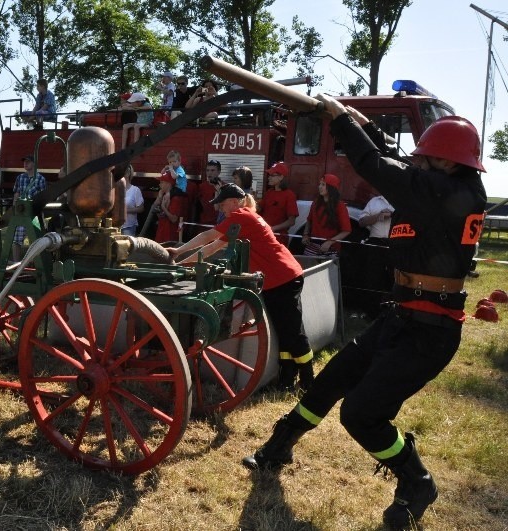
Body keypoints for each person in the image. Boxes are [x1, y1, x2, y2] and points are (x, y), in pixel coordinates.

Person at [242, 95, 487, 530]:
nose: (418, 165)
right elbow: (396, 162)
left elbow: (380, 168)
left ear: (447, 163)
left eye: (426, 160)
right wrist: (361, 124)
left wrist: (340, 124)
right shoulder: (443, 185)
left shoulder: (453, 192)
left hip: (429, 332)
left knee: (360, 414)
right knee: (330, 380)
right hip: (403, 314)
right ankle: (276, 449)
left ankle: (416, 481)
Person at [167, 183, 314, 390]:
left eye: (223, 204)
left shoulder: (241, 216)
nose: (220, 208)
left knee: (293, 332)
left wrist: (178, 251)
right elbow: (213, 247)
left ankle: (309, 381)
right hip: (280, 278)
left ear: (235, 202)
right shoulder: (244, 217)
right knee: (285, 330)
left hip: (282, 278)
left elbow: (208, 237)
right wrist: (182, 263)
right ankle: (287, 380)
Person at [301, 173, 351, 256]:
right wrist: (305, 234)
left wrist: (330, 242)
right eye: (320, 184)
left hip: (331, 248)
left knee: (327, 268)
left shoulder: (340, 206)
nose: (319, 187)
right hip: (312, 245)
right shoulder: (316, 203)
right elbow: (309, 220)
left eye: (323, 184)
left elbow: (346, 231)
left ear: (331, 188)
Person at [12, 155, 46, 261]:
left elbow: (43, 197)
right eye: (24, 161)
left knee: (34, 240)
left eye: (28, 162)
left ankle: (34, 264)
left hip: (34, 214)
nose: (25, 164)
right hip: (21, 214)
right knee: (17, 239)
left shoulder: (40, 179)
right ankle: (15, 264)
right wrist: (14, 207)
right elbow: (16, 193)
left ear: (34, 164)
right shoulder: (20, 177)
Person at [260, 162, 298, 246]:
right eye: (269, 175)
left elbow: (291, 221)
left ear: (281, 177)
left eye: (272, 175)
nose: (269, 178)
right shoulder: (269, 192)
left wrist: (272, 229)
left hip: (279, 239)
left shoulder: (289, 195)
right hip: (264, 236)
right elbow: (260, 210)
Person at [152, 171, 187, 244]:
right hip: (161, 232)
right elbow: (158, 213)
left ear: (168, 183)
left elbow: (174, 219)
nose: (159, 184)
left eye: (161, 182)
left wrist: (164, 207)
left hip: (170, 235)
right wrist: (159, 197)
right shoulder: (165, 196)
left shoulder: (176, 198)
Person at [120, 164, 144, 236]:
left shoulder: (135, 190)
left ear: (128, 174)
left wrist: (126, 210)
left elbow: (141, 208)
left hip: (128, 226)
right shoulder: (116, 189)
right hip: (115, 226)